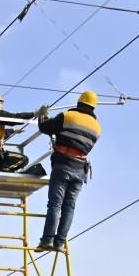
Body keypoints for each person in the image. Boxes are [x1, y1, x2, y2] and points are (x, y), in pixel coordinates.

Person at [36, 90, 101, 252]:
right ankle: (59, 243)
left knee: (55, 204)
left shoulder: (67, 116)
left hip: (63, 166)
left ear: (79, 102)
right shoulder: (97, 127)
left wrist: (42, 115)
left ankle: (47, 240)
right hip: (80, 170)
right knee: (69, 206)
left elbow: (45, 127)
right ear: (93, 107)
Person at [0, 91, 46, 175]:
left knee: (13, 163)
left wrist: (13, 131)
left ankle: (4, 171)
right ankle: (7, 172)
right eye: (1, 103)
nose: (2, 106)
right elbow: (14, 118)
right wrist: (35, 114)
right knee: (23, 159)